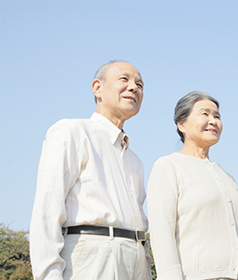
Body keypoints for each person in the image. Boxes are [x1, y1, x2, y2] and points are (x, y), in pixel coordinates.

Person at [30, 61, 151, 280]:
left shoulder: (136, 161)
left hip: (136, 260)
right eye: (124, 79)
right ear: (97, 88)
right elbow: (46, 211)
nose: (134, 87)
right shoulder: (73, 132)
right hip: (91, 257)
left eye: (139, 84)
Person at [147, 91, 238, 280]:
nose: (213, 121)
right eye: (205, 114)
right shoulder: (168, 166)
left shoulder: (228, 177)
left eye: (217, 116)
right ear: (181, 124)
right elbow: (161, 233)